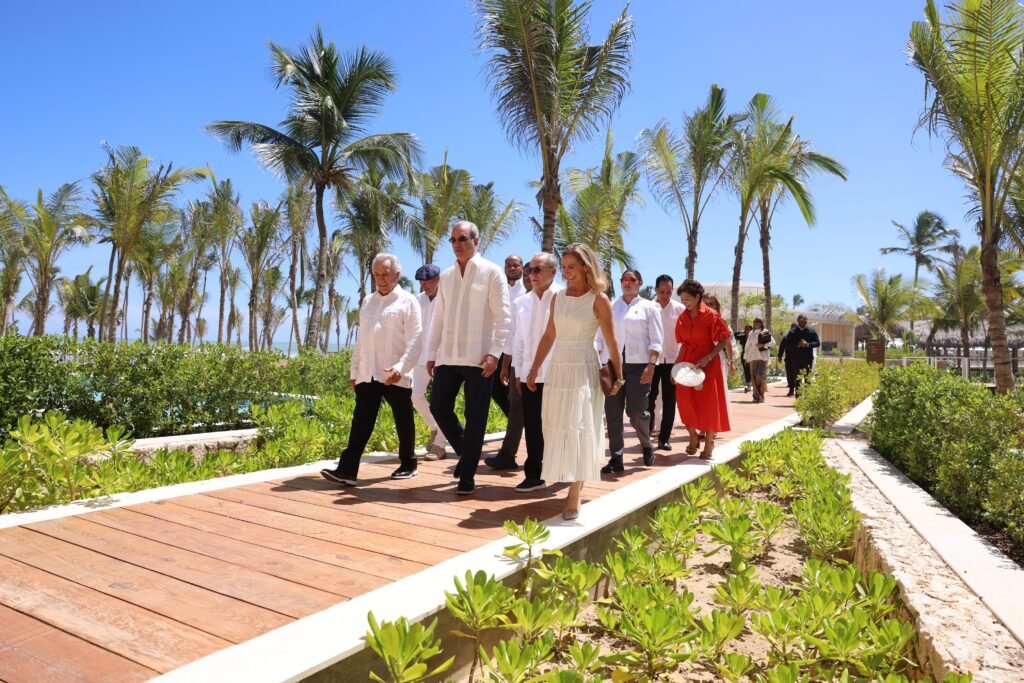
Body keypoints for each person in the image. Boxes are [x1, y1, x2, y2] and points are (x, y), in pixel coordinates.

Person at [526, 243, 622, 520]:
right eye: (564, 266)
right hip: (559, 367)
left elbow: (612, 341)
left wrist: (619, 375)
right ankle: (568, 476)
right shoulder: (558, 297)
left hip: (584, 367)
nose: (566, 272)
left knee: (581, 425)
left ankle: (575, 492)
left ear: (585, 266)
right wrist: (534, 367)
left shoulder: (598, 299)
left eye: (571, 267)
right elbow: (549, 335)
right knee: (558, 424)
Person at [426, 221, 512, 495]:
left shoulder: (492, 272)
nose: (457, 244)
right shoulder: (447, 276)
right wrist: (432, 353)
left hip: (479, 359)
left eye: (462, 238)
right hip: (448, 356)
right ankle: (467, 453)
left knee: (476, 417)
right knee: (438, 407)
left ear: (476, 240)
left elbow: (504, 318)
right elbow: (438, 319)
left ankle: (467, 476)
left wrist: (495, 354)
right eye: (453, 240)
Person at [321, 254, 422, 485]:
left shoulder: (408, 302)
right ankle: (347, 470)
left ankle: (408, 463)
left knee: (403, 419)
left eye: (385, 274)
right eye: (377, 275)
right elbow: (362, 340)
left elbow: (416, 341)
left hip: (394, 373)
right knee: (361, 422)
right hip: (368, 373)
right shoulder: (368, 302)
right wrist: (354, 371)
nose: (381, 279)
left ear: (397, 275)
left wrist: (401, 368)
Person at [597, 268, 663, 472]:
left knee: (636, 411)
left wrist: (651, 365)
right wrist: (597, 361)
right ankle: (616, 458)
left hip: (639, 366)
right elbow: (600, 336)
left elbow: (656, 339)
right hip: (613, 365)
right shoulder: (611, 306)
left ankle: (646, 444)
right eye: (624, 279)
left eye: (632, 279)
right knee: (613, 413)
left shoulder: (649, 307)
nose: (627, 283)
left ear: (640, 282)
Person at [510, 252, 563, 492]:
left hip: (558, 374)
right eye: (530, 269)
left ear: (553, 272)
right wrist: (519, 374)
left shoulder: (564, 297)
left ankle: (565, 468)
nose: (532, 274)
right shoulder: (521, 303)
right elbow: (519, 342)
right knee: (532, 426)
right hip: (530, 376)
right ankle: (534, 475)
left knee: (559, 425)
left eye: (537, 269)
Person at [675, 279, 732, 459]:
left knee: (708, 403)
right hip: (687, 362)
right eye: (682, 299)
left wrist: (708, 357)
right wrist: (676, 366)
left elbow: (724, 339)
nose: (684, 302)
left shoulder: (711, 315)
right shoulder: (682, 317)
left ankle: (708, 442)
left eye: (687, 299)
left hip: (708, 362)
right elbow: (683, 344)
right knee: (684, 400)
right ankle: (693, 435)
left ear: (697, 296)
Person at [485, 254, 527, 470]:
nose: (511, 268)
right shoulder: (499, 288)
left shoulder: (527, 291)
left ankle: (512, 444)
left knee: (520, 403)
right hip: (499, 349)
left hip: (521, 353)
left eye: (515, 265)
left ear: (522, 267)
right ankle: (517, 424)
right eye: (508, 265)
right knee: (496, 390)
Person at [411, 264, 448, 460]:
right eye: (422, 283)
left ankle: (440, 445)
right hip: (420, 358)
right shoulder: (417, 301)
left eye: (428, 282)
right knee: (414, 395)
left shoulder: (447, 299)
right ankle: (435, 426)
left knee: (441, 402)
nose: (425, 286)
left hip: (442, 358)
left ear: (438, 280)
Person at [649, 274, 684, 450]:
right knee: (649, 399)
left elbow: (684, 337)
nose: (665, 295)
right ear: (655, 290)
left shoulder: (680, 309)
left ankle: (664, 439)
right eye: (662, 291)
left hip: (672, 360)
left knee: (670, 401)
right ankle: (647, 434)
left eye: (669, 292)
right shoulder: (648, 307)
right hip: (651, 361)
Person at [700, 293, 736, 388]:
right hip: (701, 357)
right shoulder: (699, 320)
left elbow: (727, 342)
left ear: (716, 305)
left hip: (717, 357)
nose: (708, 306)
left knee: (717, 386)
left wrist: (731, 362)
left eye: (711, 304)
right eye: (705, 304)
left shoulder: (721, 320)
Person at [784, 314, 820, 394]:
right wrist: (797, 344)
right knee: (798, 379)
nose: (803, 321)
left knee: (808, 378)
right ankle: (798, 398)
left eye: (805, 319)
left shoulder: (811, 331)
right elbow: (787, 344)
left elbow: (817, 343)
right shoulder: (792, 332)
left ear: (807, 321)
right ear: (797, 320)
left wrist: (807, 344)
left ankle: (807, 397)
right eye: (801, 319)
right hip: (796, 359)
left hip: (808, 358)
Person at [744, 318, 773, 403]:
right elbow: (747, 345)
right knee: (753, 378)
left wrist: (763, 345)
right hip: (753, 357)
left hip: (763, 358)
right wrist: (746, 357)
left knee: (759, 377)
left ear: (761, 323)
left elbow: (773, 343)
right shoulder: (751, 333)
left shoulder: (765, 331)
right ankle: (756, 396)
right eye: (754, 322)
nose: (756, 323)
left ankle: (762, 394)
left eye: (757, 322)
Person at [777, 323, 799, 396]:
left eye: (795, 328)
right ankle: (791, 389)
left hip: (798, 359)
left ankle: (798, 390)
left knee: (797, 375)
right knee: (789, 374)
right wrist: (780, 356)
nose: (793, 329)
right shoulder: (786, 337)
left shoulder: (800, 337)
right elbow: (782, 347)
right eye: (792, 327)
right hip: (789, 359)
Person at [736, 324, 754, 393]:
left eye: (748, 329)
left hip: (752, 355)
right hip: (744, 355)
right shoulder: (742, 337)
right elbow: (734, 335)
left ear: (751, 330)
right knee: (746, 370)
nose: (746, 330)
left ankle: (754, 385)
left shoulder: (754, 337)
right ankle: (749, 386)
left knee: (752, 370)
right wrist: (741, 332)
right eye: (745, 329)